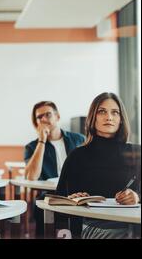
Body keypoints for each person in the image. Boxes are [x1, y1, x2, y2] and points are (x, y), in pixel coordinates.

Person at [56, 92, 140, 239]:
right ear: (92, 118)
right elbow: (60, 200)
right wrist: (74, 199)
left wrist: (137, 196)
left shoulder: (137, 152)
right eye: (102, 112)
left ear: (121, 119)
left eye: (115, 112)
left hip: (135, 223)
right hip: (98, 227)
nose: (109, 117)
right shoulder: (77, 156)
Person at [24, 101, 85, 237]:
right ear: (36, 123)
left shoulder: (79, 139)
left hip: (78, 192)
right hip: (50, 194)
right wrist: (42, 140)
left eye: (48, 114)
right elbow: (31, 177)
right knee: (40, 205)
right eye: (40, 117)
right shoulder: (31, 147)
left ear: (57, 117)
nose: (44, 119)